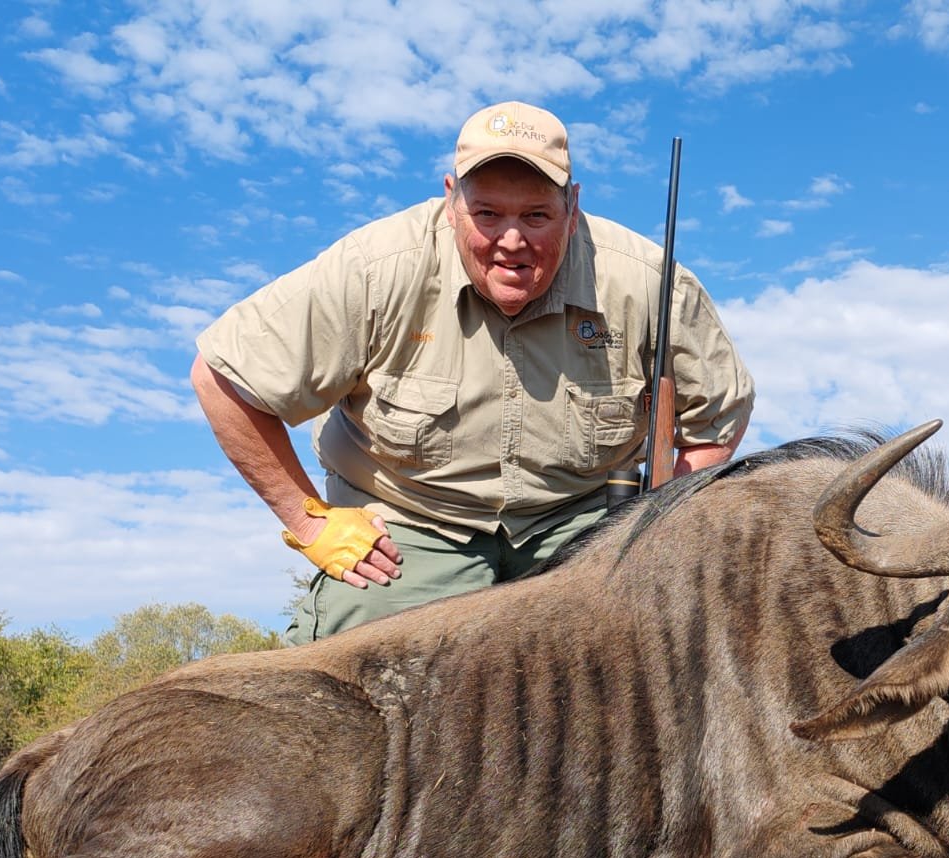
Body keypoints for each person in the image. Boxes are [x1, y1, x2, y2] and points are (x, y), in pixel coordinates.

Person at [191, 100, 754, 643]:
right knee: (352, 675)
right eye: (488, 214)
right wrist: (311, 523)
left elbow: (719, 416)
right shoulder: (373, 269)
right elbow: (220, 379)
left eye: (537, 215)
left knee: (662, 659)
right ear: (449, 201)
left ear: (573, 206)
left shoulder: (649, 282)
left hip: (581, 523)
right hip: (411, 521)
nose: (512, 241)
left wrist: (658, 526)